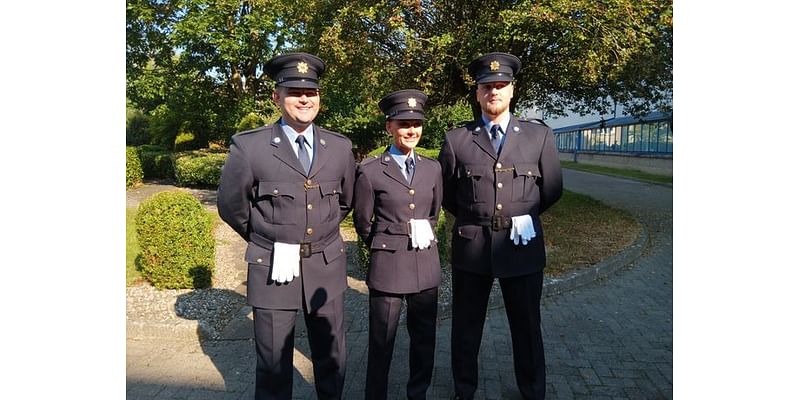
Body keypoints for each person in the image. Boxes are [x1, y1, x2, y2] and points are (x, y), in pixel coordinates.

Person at [217, 52, 356, 400]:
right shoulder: (249, 147)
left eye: (311, 92)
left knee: (332, 359)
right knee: (274, 366)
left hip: (325, 265)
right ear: (276, 97)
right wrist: (268, 238)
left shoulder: (339, 148)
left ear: (319, 98)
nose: (304, 98)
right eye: (294, 91)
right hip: (272, 269)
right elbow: (232, 206)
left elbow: (345, 201)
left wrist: (318, 234)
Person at [437, 52, 563, 400]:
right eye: (486, 86)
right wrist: (476, 217)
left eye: (501, 85)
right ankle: (464, 390)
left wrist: (524, 215)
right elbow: (448, 194)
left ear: (512, 90)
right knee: (465, 328)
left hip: (521, 247)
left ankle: (532, 390)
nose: (494, 91)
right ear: (477, 93)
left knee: (526, 327)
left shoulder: (538, 136)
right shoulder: (456, 139)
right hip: (472, 247)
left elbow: (551, 189)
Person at [353, 89, 443, 400]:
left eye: (416, 123)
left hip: (424, 264)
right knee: (381, 340)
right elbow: (363, 222)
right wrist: (386, 243)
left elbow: (434, 213)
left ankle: (417, 393)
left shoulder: (433, 169)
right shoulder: (370, 169)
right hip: (388, 266)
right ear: (389, 126)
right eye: (403, 123)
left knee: (424, 339)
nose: (411, 130)